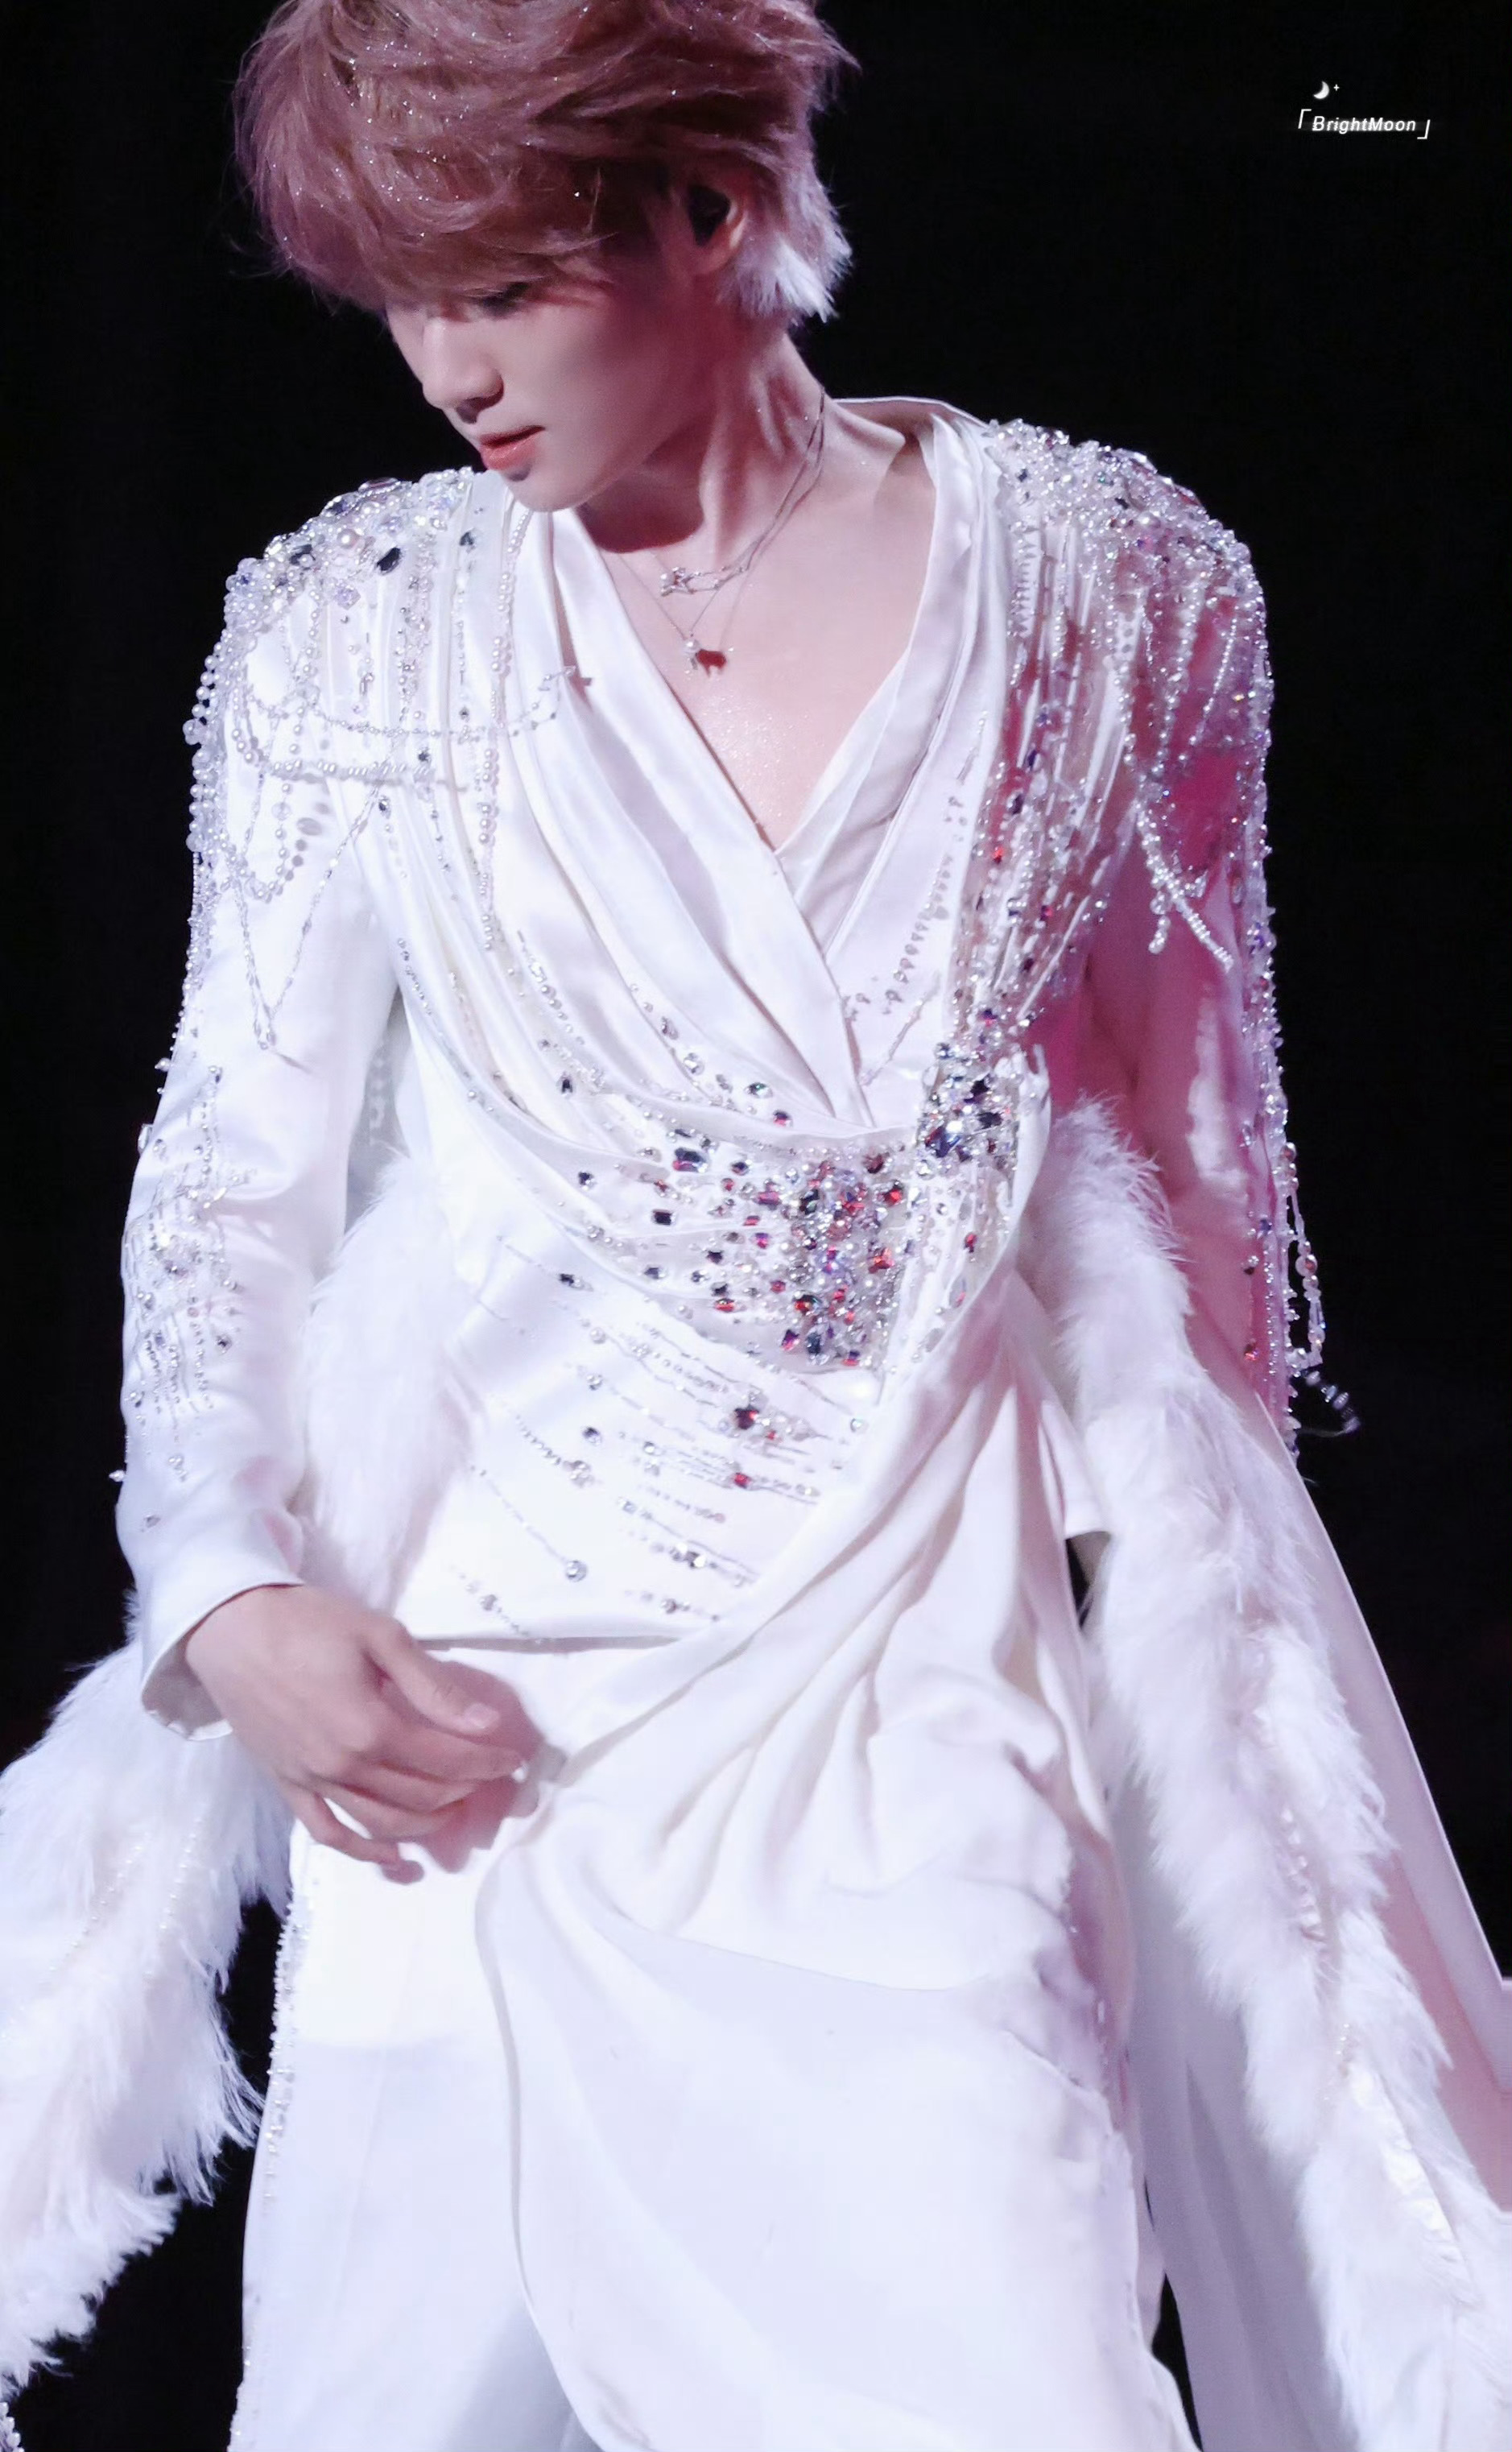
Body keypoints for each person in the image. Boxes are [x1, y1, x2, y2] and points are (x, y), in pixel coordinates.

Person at [0, 3, 1506, 2448]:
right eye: (405, 297)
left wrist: (1217, 1720)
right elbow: (225, 1184)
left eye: (507, 284)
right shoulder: (352, 628)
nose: (449, 370)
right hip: (462, 1733)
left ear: (709, 208)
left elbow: (1211, 1186)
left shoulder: (1117, 589)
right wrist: (225, 1592)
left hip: (922, 1692)